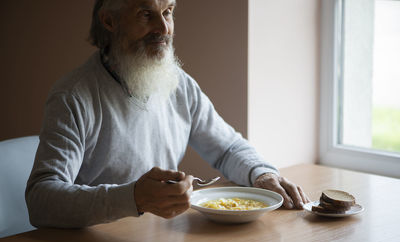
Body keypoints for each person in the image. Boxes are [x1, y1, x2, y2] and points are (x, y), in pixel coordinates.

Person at [26, 0, 310, 228]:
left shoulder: (178, 82)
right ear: (110, 21)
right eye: (145, 14)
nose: (164, 28)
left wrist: (260, 174)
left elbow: (227, 148)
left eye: (168, 11)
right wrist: (134, 198)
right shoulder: (73, 96)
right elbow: (41, 199)